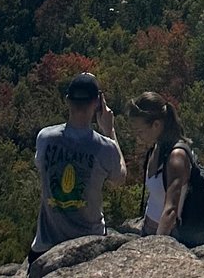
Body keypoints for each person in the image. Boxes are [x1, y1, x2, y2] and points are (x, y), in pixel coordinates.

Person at [29, 71, 125, 263]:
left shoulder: (45, 138)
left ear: (67, 101)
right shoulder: (104, 148)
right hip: (89, 244)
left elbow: (41, 167)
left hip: (46, 245)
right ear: (97, 103)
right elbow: (119, 179)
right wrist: (110, 131)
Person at [125, 92, 204, 249]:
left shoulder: (176, 157)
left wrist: (156, 247)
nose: (137, 137)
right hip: (149, 231)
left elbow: (171, 211)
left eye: (140, 131)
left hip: (168, 237)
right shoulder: (157, 148)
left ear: (156, 125)